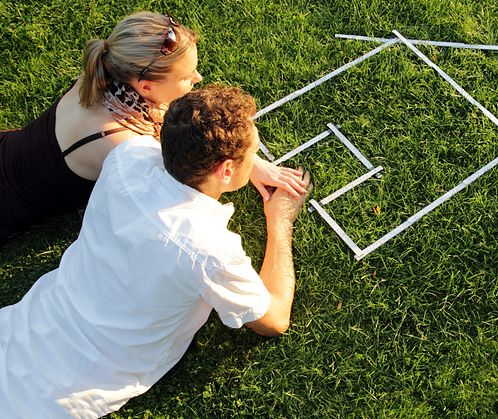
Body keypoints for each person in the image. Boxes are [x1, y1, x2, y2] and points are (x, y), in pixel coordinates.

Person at [0, 84, 311, 416]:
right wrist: (279, 221)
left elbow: (161, 136)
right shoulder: (208, 248)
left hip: (27, 327)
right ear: (225, 170)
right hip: (55, 395)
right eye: (253, 150)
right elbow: (274, 319)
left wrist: (245, 163)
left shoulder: (127, 156)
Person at [0, 11, 306, 246]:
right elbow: (190, 176)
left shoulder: (106, 75)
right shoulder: (125, 144)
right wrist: (247, 161)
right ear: (146, 86)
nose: (198, 78)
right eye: (187, 77)